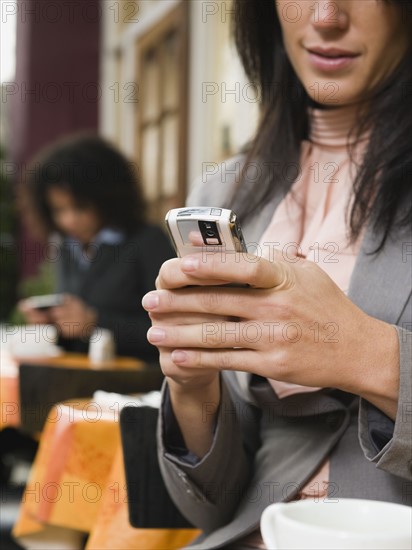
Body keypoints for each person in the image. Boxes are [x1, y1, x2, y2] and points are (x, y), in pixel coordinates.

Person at [141, 1, 412, 548]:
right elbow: (210, 507)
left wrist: (364, 354)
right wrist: (192, 387)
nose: (326, 16)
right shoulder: (226, 193)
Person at [19, 134, 174, 361]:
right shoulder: (65, 246)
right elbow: (74, 335)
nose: (69, 220)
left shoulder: (148, 241)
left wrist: (95, 322)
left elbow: (172, 329)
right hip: (80, 379)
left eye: (79, 207)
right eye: (58, 210)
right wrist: (54, 322)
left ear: (107, 197)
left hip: (136, 385)